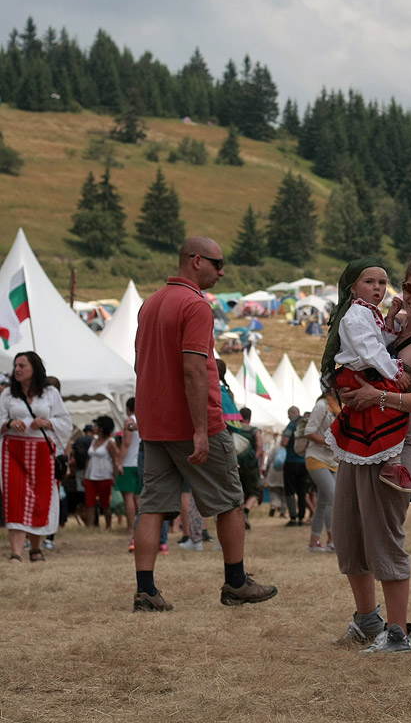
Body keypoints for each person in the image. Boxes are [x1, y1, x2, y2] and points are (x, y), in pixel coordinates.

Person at [132, 236, 277, 611]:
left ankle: (146, 591)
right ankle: (236, 583)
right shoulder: (195, 306)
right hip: (194, 423)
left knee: (152, 507)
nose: (222, 270)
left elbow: (141, 365)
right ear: (196, 261)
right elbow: (194, 369)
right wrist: (200, 429)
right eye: (217, 263)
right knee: (230, 501)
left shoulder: (150, 304)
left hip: (153, 424)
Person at [330, 251, 411, 654]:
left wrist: (378, 395)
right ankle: (368, 620)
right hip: (357, 441)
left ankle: (397, 632)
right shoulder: (387, 327)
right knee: (349, 535)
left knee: (384, 538)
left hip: (396, 448)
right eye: (409, 288)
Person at [323, 258, 411, 493]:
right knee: (391, 406)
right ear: (353, 287)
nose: (377, 288)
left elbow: (377, 343)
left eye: (382, 283)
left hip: (360, 372)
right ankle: (391, 465)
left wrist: (390, 318)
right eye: (369, 282)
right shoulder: (356, 316)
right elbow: (371, 350)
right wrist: (395, 373)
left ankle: (384, 461)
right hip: (358, 374)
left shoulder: (366, 313)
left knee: (378, 412)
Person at [0, 351, 72, 562]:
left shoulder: (50, 393)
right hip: (13, 451)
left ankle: (36, 548)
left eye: (22, 365)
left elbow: (66, 422)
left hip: (42, 452)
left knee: (41, 498)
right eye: (16, 365)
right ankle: (16, 552)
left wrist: (47, 423)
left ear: (34, 369)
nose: (17, 369)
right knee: (15, 498)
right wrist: (9, 424)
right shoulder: (7, 394)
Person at [304, 393, 341, 552]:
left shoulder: (338, 406)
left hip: (332, 460)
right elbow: (309, 431)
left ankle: (314, 543)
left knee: (323, 502)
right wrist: (329, 442)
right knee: (333, 497)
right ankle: (333, 541)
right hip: (316, 457)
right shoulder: (321, 406)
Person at [230, 406, 264, 528]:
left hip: (235, 465)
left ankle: (237, 517)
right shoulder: (254, 431)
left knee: (239, 492)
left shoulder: (234, 429)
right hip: (250, 468)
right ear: (250, 417)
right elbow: (259, 447)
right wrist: (253, 460)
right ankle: (246, 511)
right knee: (254, 493)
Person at [85, 415, 120, 530]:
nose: (94, 427)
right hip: (90, 475)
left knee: (105, 503)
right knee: (89, 502)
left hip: (105, 475)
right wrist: (85, 474)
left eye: (96, 425)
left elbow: (116, 459)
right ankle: (90, 526)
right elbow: (89, 459)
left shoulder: (110, 443)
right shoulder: (93, 441)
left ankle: (108, 525)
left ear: (101, 428)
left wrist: (115, 476)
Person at [117, 397, 142, 550]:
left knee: (128, 497)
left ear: (128, 408)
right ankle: (140, 526)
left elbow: (126, 443)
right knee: (139, 497)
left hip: (128, 463)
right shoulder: (142, 420)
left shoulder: (129, 421)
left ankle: (131, 527)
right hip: (139, 462)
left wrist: (119, 462)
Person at [280, 406, 309, 526]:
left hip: (291, 461)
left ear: (292, 413)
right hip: (304, 462)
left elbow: (284, 442)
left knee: (290, 490)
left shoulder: (291, 425)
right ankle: (302, 518)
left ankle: (293, 518)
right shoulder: (305, 424)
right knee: (302, 491)